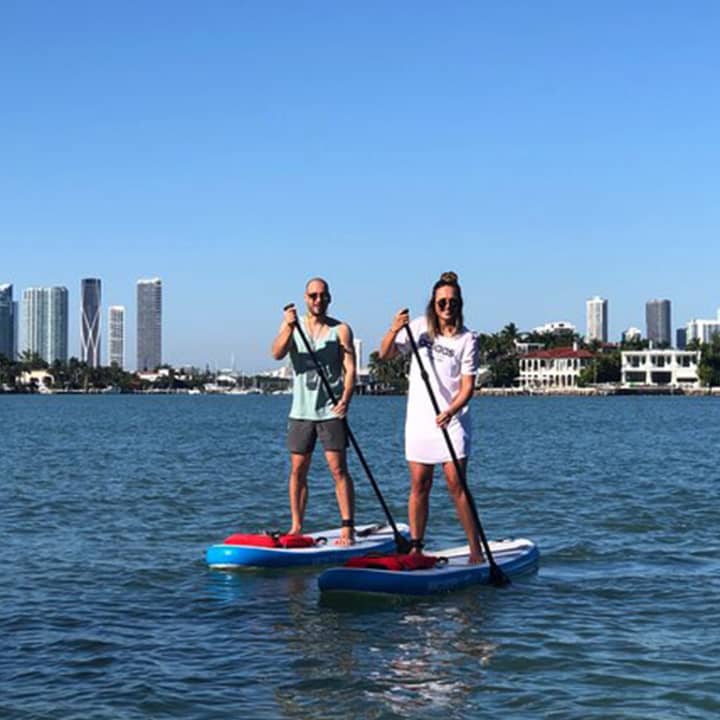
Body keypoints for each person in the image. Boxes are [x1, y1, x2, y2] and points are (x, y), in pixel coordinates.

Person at [378, 271, 484, 563]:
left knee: (456, 485)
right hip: (420, 421)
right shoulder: (419, 328)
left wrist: (450, 411)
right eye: (441, 302)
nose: (447, 307)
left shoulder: (468, 339)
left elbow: (467, 388)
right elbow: (385, 354)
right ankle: (416, 547)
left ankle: (475, 549)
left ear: (460, 304)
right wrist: (394, 329)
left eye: (452, 302)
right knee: (419, 484)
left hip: (452, 420)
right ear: (433, 304)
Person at [271, 277, 357, 546]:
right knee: (298, 470)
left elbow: (350, 368)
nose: (318, 300)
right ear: (306, 298)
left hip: (330, 410)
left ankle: (347, 527)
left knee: (338, 469)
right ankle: (296, 525)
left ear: (329, 298)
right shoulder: (292, 326)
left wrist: (346, 398)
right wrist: (288, 326)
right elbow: (276, 353)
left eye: (322, 295)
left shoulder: (340, 330)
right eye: (313, 296)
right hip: (301, 411)